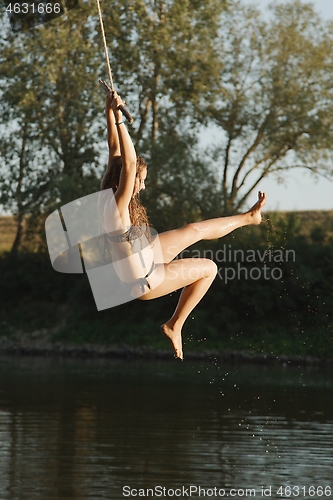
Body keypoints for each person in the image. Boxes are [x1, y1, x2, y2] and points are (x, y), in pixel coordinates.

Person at [100, 92, 266, 360]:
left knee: (193, 230)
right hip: (144, 280)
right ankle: (175, 324)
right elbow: (128, 163)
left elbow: (115, 151)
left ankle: (248, 218)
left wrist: (111, 111)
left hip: (142, 256)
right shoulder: (118, 203)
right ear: (126, 180)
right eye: (140, 181)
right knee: (210, 268)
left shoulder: (107, 191)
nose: (141, 186)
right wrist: (120, 122)